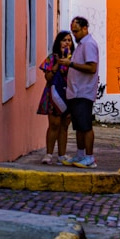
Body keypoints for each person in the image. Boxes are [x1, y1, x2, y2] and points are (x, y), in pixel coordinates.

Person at [60, 16, 100, 169]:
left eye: (76, 31)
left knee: (85, 126)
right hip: (76, 92)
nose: (74, 35)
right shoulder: (82, 45)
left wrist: (71, 64)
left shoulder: (89, 44)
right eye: (72, 32)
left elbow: (91, 68)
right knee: (78, 126)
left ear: (85, 28)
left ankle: (89, 157)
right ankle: (81, 154)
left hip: (84, 91)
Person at [37, 31, 73, 164]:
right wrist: (57, 64)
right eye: (64, 40)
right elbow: (48, 77)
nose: (67, 42)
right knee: (54, 124)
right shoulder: (51, 58)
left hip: (68, 95)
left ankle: (62, 155)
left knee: (64, 126)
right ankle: (49, 154)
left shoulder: (74, 59)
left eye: (69, 40)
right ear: (58, 42)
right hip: (53, 95)